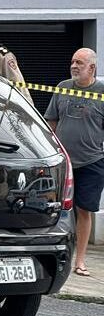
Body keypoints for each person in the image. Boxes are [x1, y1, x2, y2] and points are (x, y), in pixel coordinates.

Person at [44, 48, 103, 277]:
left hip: (92, 161)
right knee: (58, 209)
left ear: (92, 67)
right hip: (63, 162)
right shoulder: (62, 88)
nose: (74, 66)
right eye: (72, 62)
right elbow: (52, 122)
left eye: (79, 62)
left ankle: (80, 261)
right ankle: (58, 256)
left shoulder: (101, 91)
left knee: (84, 210)